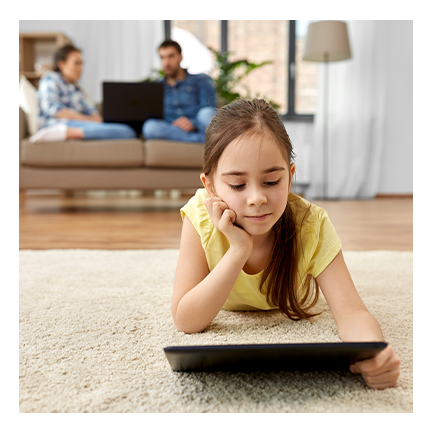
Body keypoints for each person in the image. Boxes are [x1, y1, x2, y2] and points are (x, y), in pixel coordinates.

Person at [172, 98, 401, 390]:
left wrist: (374, 351)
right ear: (211, 186)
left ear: (290, 177)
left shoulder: (311, 224)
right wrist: (239, 251)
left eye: (271, 182)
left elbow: (352, 312)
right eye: (238, 185)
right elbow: (186, 321)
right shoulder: (200, 216)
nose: (257, 198)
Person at [31, 44, 137, 142]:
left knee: (127, 130)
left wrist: (95, 118)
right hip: (57, 124)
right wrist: (87, 120)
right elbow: (53, 109)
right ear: (61, 64)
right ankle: (62, 133)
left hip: (78, 124)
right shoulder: (50, 78)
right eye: (76, 63)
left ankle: (70, 133)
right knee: (127, 132)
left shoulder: (76, 89)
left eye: (81, 64)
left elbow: (91, 110)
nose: (80, 68)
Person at [142, 40, 217, 143]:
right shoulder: (157, 87)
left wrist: (192, 123)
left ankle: (202, 138)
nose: (166, 62)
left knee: (206, 113)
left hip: (198, 126)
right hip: (172, 128)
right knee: (150, 127)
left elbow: (209, 109)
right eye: (162, 57)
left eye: (171, 56)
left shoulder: (200, 80)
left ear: (180, 57)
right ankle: (201, 140)